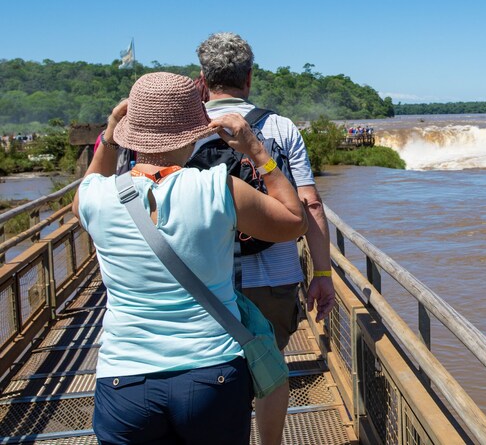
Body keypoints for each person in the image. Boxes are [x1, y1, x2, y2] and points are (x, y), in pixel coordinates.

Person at [73, 72, 308, 445]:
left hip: (124, 379)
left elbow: (89, 183)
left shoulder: (94, 197)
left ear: (129, 132)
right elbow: (295, 221)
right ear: (195, 131)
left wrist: (111, 132)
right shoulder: (219, 188)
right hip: (210, 372)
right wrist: (256, 151)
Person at [194, 32, 336, 444]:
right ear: (250, 77)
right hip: (274, 275)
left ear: (203, 78)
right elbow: (309, 204)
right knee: (270, 369)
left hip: (206, 278)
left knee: (215, 372)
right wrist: (322, 271)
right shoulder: (279, 127)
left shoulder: (184, 130)